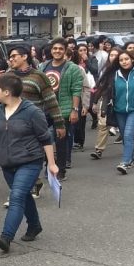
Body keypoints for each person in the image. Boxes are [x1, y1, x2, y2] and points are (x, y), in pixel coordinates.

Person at [0, 72, 60, 250]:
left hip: (29, 161)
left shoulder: (32, 112)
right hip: (7, 163)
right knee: (24, 195)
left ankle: (6, 237)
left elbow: (45, 138)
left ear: (7, 92)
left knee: (17, 196)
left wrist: (51, 163)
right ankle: (35, 225)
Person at [6, 44, 65, 198]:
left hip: (34, 123)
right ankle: (33, 183)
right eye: (10, 57)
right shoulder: (8, 75)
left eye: (14, 56)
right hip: (12, 124)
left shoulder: (39, 76)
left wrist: (59, 123)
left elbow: (51, 101)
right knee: (15, 156)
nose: (11, 59)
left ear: (25, 57)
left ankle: (23, 189)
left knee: (31, 155)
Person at [96, 51, 134, 174]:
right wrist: (103, 108)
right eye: (121, 60)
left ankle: (125, 162)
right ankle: (131, 158)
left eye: (126, 59)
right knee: (125, 136)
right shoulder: (114, 75)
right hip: (119, 111)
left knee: (128, 135)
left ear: (132, 60)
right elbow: (106, 92)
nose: (124, 62)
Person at [38, 39, 83, 180]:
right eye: (55, 48)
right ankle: (49, 166)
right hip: (45, 109)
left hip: (63, 109)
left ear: (65, 51)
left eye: (60, 49)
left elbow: (77, 90)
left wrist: (74, 110)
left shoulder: (73, 68)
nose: (57, 51)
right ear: (51, 51)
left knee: (61, 140)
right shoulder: (43, 66)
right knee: (44, 139)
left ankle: (61, 170)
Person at [88, 48, 122, 160]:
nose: (113, 57)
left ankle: (133, 148)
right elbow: (100, 86)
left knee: (124, 125)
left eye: (116, 55)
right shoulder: (106, 69)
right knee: (103, 124)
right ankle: (99, 149)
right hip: (106, 99)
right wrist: (95, 101)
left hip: (122, 100)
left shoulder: (126, 70)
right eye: (111, 55)